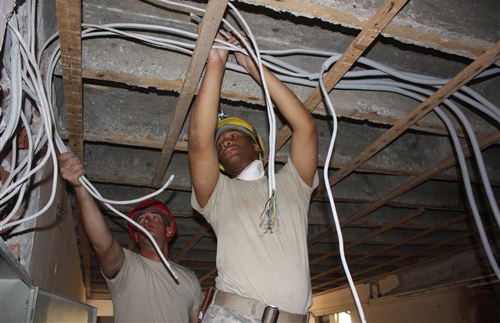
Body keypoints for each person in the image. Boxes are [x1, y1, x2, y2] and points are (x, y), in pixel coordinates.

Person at [188, 30, 318, 323]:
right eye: (220, 144)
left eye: (234, 135)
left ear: (258, 146)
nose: (226, 142)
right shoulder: (217, 195)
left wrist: (253, 66)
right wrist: (216, 61)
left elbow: (306, 127)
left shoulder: (293, 183)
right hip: (234, 315)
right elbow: (198, 141)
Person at [58, 152, 203, 323]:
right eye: (141, 220)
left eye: (154, 217)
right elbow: (103, 245)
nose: (146, 221)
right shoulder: (126, 266)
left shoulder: (189, 278)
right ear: (135, 236)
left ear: (169, 231)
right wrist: (80, 187)